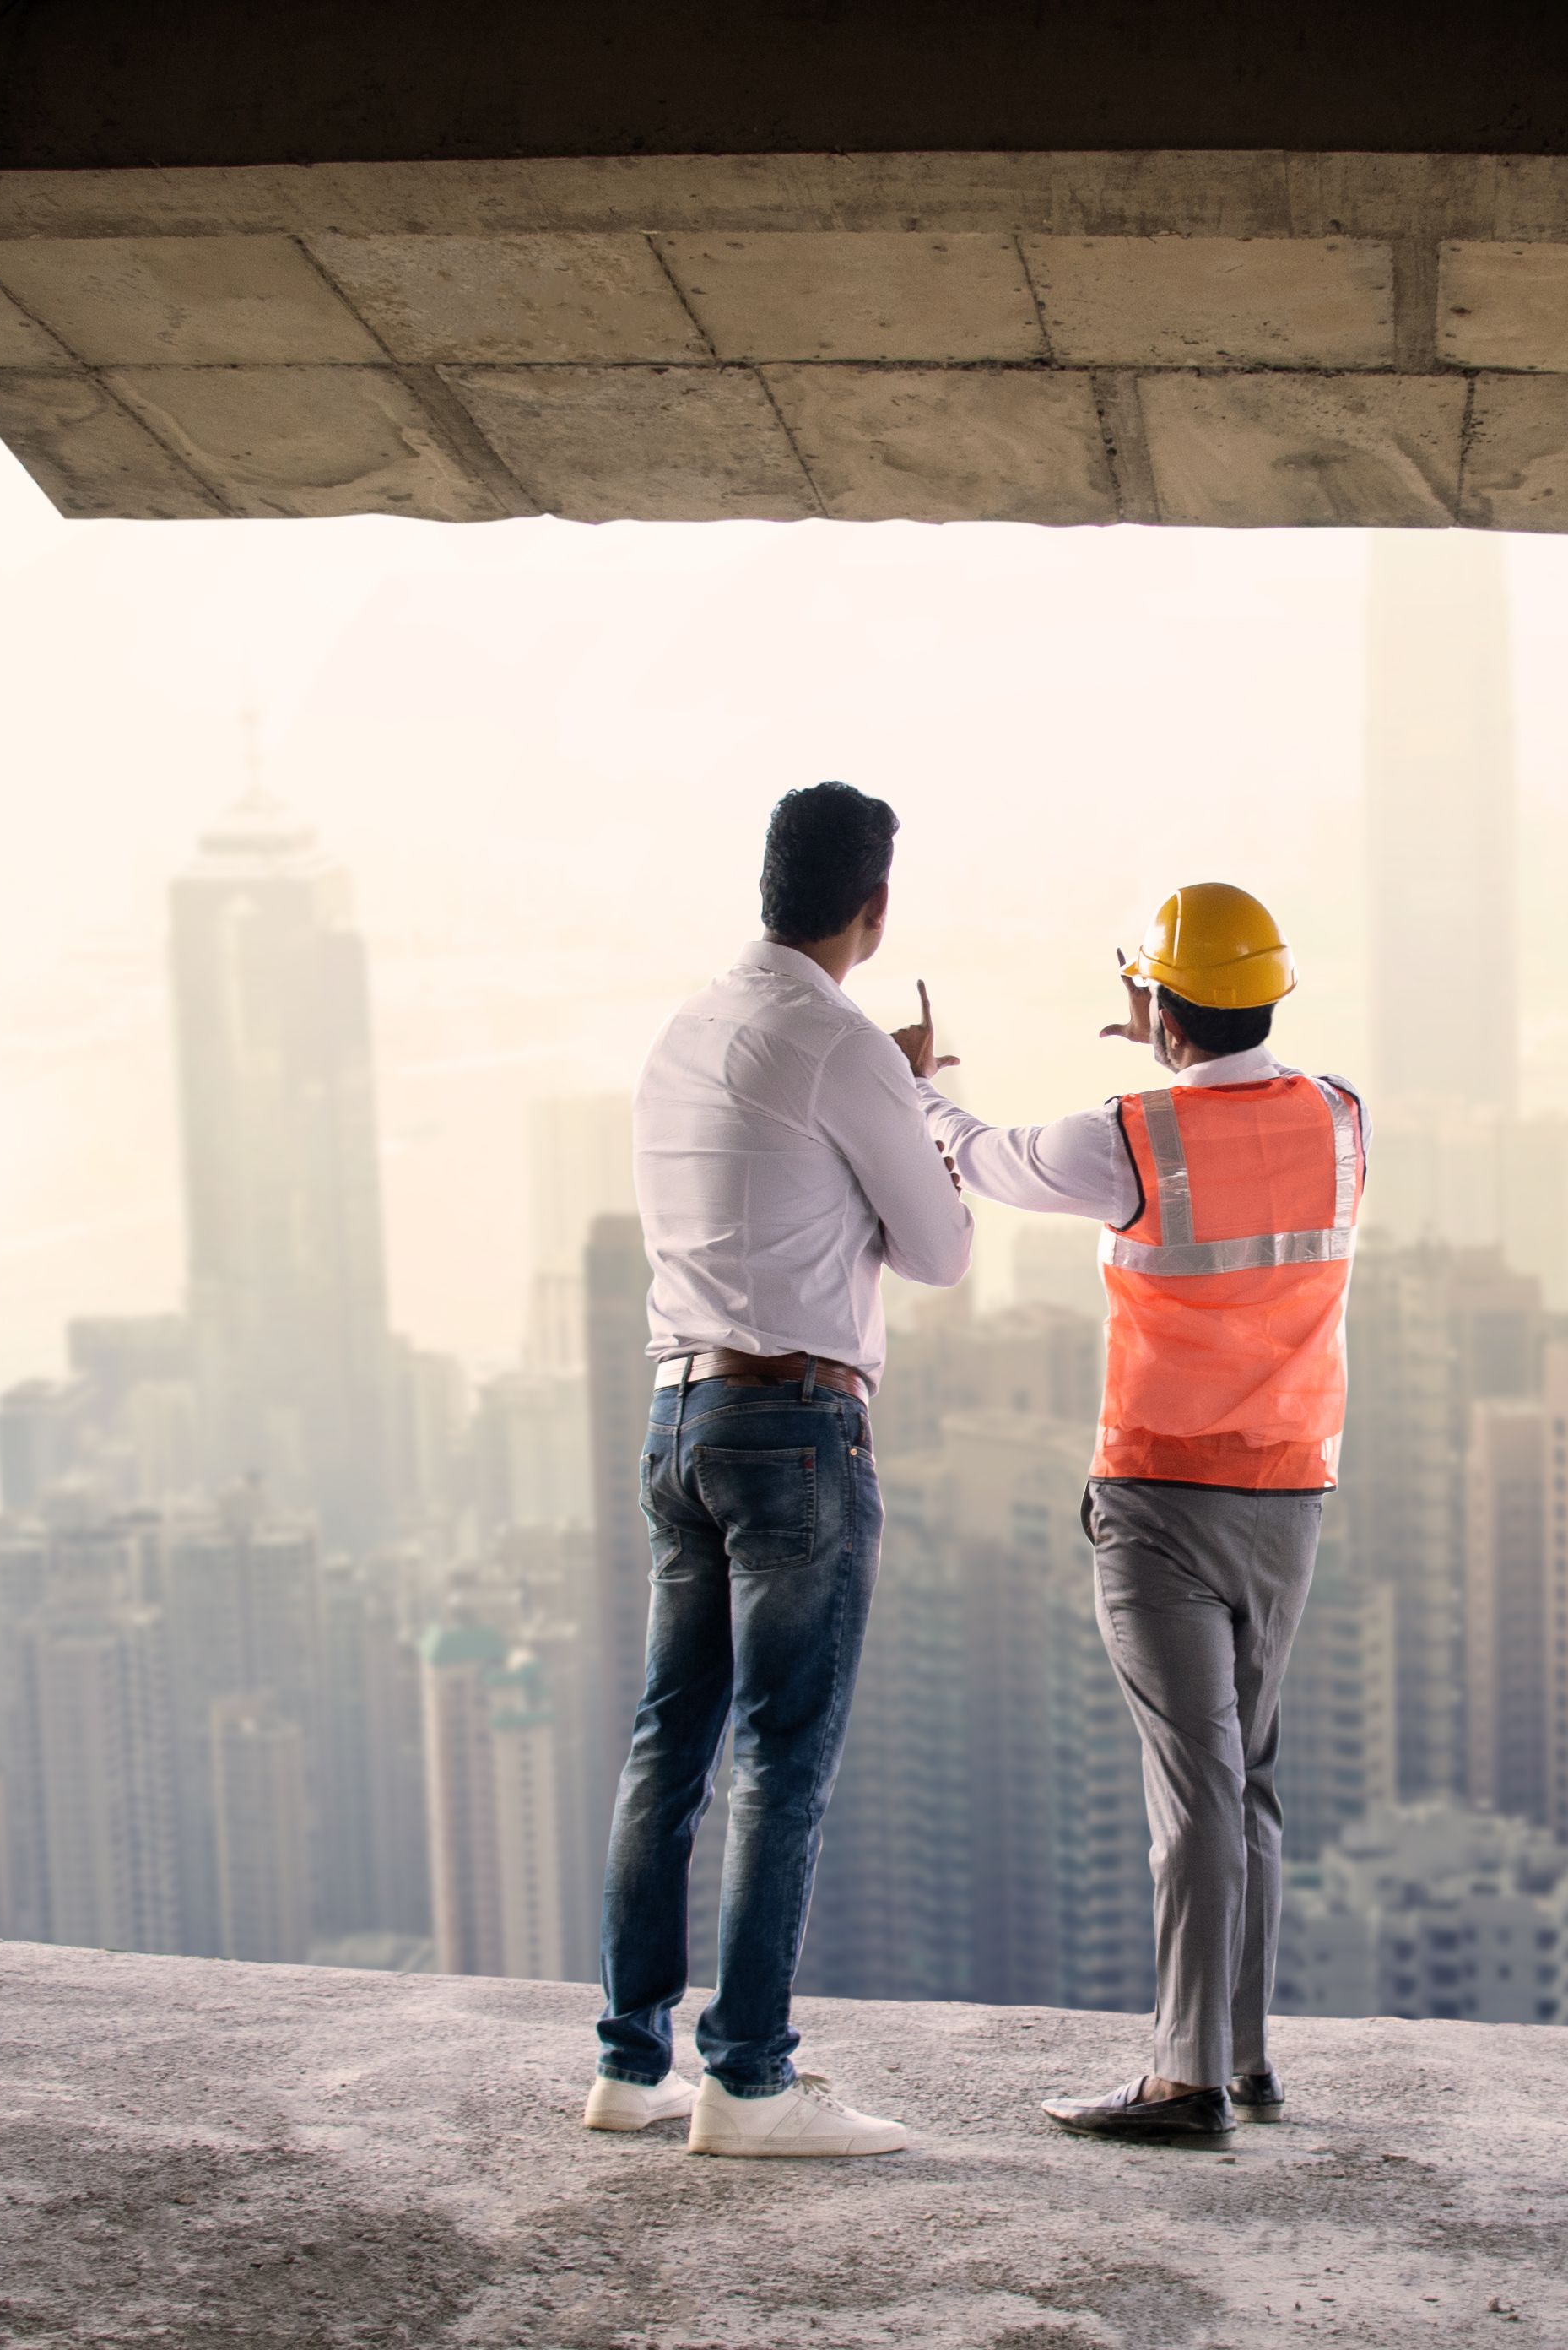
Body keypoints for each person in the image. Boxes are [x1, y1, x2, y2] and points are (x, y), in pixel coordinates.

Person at [909, 882, 1364, 2138]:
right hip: (1291, 1494)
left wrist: (914, 1087)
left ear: (1159, 1004)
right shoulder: (1340, 1119)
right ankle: (1248, 2059)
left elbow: (981, 1156)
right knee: (1247, 1782)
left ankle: (1185, 2078)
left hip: (1163, 1501)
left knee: (1195, 1790)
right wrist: (1176, 1032)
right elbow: (1244, 1114)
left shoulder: (1132, 1136)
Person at [579, 780, 971, 2158]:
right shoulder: (845, 1041)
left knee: (664, 1746)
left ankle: (634, 2064)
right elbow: (939, 1250)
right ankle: (748, 2079)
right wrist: (914, 1094)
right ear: (874, 912)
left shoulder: (688, 1030)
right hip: (796, 1429)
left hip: (676, 1421)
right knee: (781, 1758)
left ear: (766, 884)